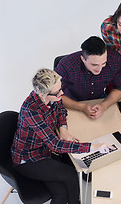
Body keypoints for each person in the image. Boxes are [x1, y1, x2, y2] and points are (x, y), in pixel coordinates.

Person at [11, 68, 113, 204]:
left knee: (61, 193)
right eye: (58, 92)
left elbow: (61, 110)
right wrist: (94, 147)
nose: (62, 93)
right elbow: (55, 145)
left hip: (45, 151)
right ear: (43, 94)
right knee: (71, 175)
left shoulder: (51, 97)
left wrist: (63, 128)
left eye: (61, 88)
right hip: (28, 159)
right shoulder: (31, 111)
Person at [54, 36, 121, 119]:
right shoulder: (66, 65)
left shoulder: (114, 59)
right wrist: (82, 107)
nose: (99, 69)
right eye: (94, 65)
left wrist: (104, 105)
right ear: (83, 59)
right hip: (72, 102)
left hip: (100, 100)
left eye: (103, 63)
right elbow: (55, 95)